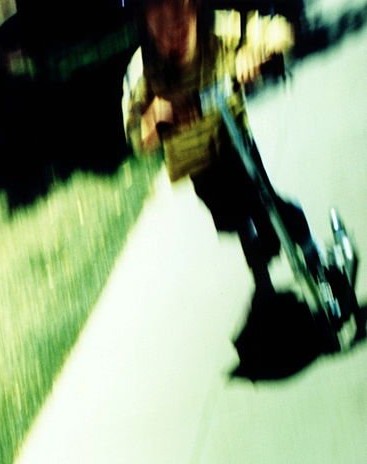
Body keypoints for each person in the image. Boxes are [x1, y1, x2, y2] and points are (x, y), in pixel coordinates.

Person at [122, 0, 321, 293]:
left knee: (265, 201)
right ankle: (264, 283)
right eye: (158, 17)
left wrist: (259, 51)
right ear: (144, 22)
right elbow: (136, 133)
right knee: (237, 220)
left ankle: (312, 257)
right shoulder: (144, 70)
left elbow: (279, 32)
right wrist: (153, 121)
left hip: (234, 142)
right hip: (199, 164)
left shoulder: (218, 28)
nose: (172, 25)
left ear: (194, 7)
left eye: (179, 9)